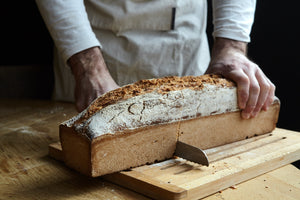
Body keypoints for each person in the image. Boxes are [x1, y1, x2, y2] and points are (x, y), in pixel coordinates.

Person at [36, 0, 275, 119]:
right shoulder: (88, 64)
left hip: (186, 49)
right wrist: (88, 66)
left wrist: (231, 46)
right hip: (94, 47)